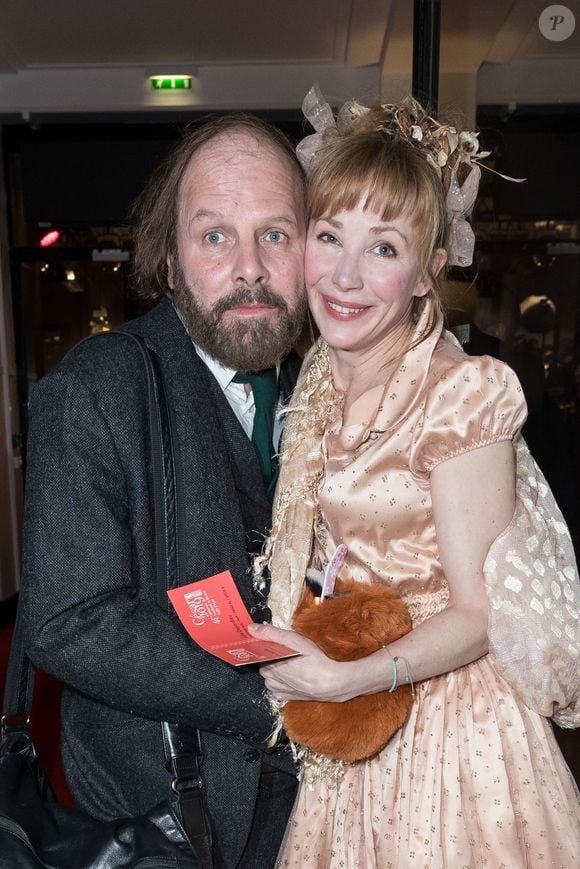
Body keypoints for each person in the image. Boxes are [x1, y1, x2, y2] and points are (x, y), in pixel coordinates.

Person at [248, 88, 580, 867]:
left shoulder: (461, 393)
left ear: (429, 271)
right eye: (330, 236)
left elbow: (479, 612)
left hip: (452, 730)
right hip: (357, 716)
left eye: (385, 248)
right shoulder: (320, 379)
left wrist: (345, 677)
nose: (346, 275)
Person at [20, 113, 309, 868]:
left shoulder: (330, 390)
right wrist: (283, 696)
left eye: (275, 234)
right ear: (171, 261)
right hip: (159, 826)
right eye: (216, 236)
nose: (250, 267)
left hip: (316, 812)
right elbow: (68, 620)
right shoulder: (95, 389)